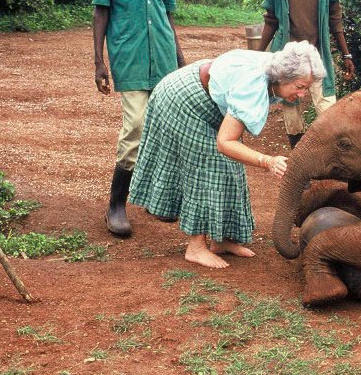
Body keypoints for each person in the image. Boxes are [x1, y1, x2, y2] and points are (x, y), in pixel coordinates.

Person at [129, 41, 326, 268]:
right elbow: (225, 143)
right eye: (300, 87)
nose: (302, 95)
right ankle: (196, 247)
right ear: (282, 77)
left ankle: (222, 241)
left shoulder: (278, 68)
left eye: (306, 88)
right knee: (206, 168)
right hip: (183, 100)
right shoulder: (253, 87)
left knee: (231, 168)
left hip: (209, 95)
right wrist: (267, 161)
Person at [92, 0, 185, 238]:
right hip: (128, 55)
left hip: (162, 56)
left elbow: (168, 12)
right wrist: (99, 61)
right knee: (136, 126)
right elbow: (101, 9)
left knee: (164, 128)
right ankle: (116, 205)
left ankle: (158, 201)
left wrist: (179, 56)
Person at [258, 0, 355, 148]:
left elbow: (335, 17)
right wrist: (256, 55)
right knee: (291, 113)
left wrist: (346, 55)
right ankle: (299, 165)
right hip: (287, 56)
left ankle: (332, 165)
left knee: (328, 109)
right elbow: (271, 19)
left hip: (317, 55)